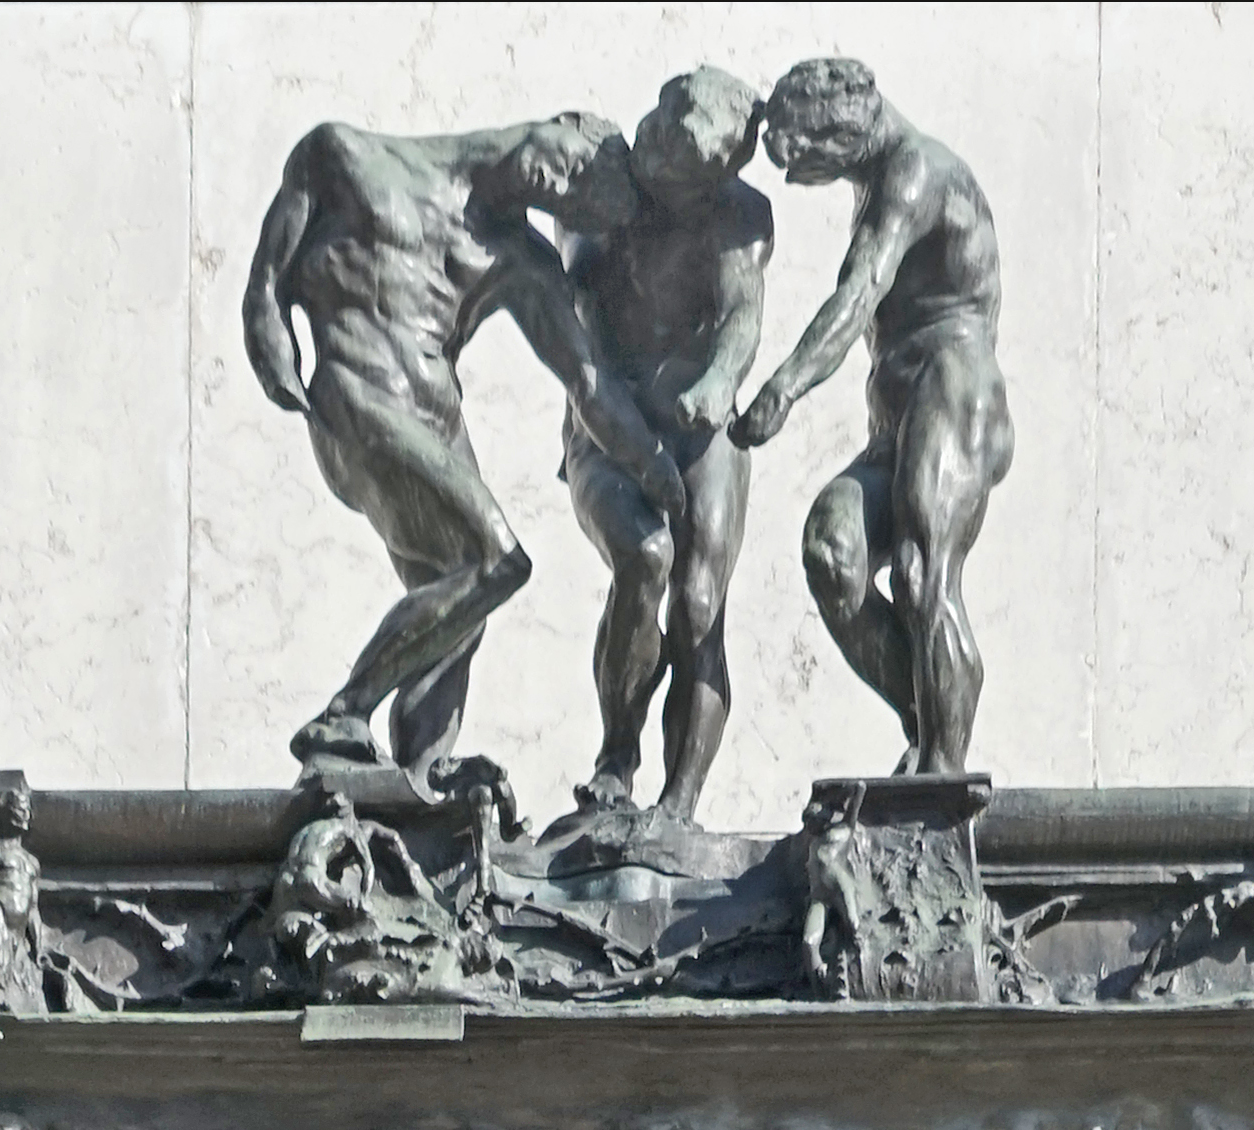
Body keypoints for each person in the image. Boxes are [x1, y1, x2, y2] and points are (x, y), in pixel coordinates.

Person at [240, 111, 663, 776]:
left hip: (438, 421)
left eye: (571, 196)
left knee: (458, 614)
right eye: (577, 163)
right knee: (496, 561)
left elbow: (587, 382)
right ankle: (343, 714)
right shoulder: (342, 154)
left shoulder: (520, 258)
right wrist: (276, 360)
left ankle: (420, 781)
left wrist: (657, 467)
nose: (559, 180)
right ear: (566, 122)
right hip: (359, 400)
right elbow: (267, 280)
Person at [737, 59, 1010, 776]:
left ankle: (941, 776)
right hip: (892, 421)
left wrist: (785, 387)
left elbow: (859, 293)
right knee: (833, 553)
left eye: (803, 153)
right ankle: (929, 720)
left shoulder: (913, 172)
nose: (797, 173)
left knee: (921, 578)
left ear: (844, 126)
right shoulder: (876, 184)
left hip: (953, 394)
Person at [562, 67, 771, 835]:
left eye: (677, 173)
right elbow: (578, 331)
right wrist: (626, 438)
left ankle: (677, 807)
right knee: (644, 558)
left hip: (700, 422)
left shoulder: (738, 216)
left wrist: (720, 378)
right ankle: (616, 756)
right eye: (653, 143)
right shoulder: (599, 193)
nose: (652, 169)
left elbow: (741, 314)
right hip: (606, 418)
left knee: (698, 607)